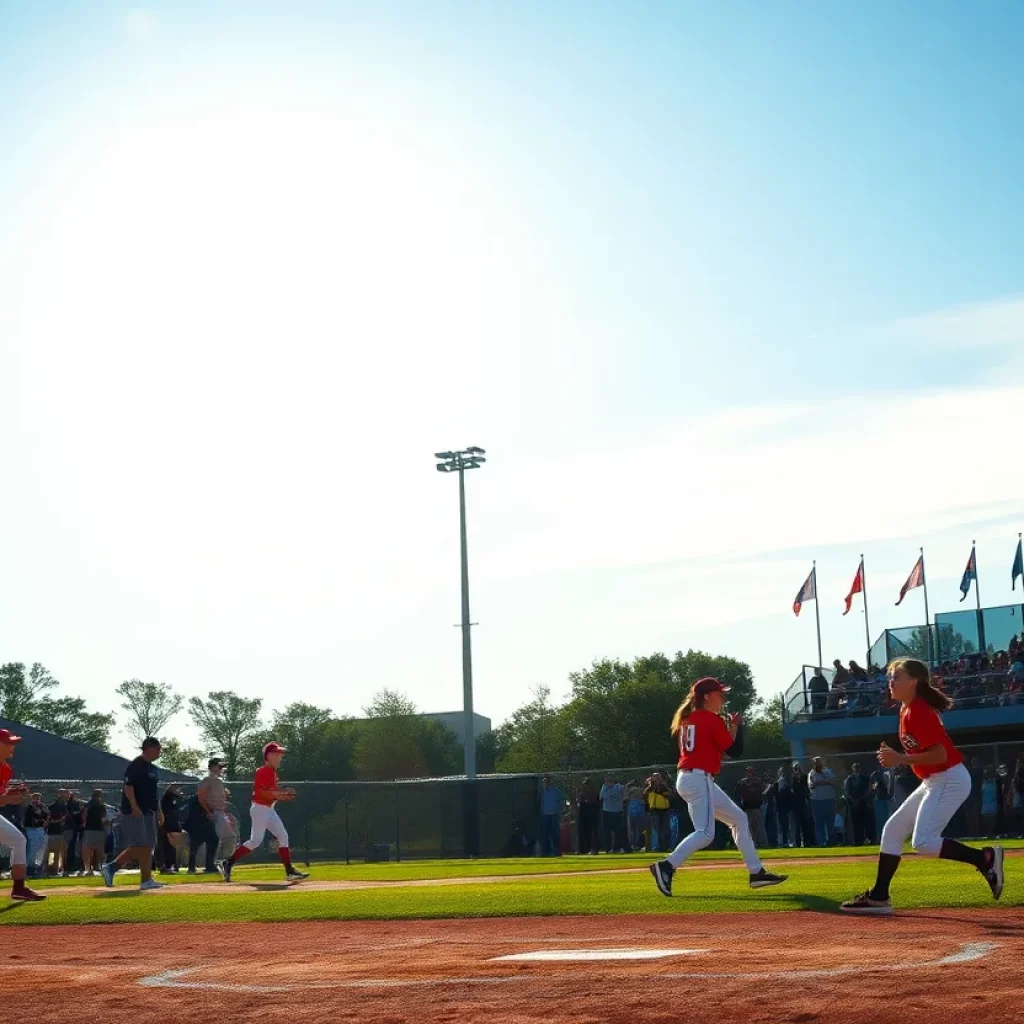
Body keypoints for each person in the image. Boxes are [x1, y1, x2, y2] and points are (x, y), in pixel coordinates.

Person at [841, 659, 1004, 915]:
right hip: (935, 780)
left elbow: (939, 755)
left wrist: (901, 758)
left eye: (896, 677)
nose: (890, 683)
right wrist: (899, 758)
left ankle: (985, 859)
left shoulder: (919, 710)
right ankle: (879, 897)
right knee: (892, 831)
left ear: (913, 681)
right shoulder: (906, 709)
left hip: (949, 777)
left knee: (924, 842)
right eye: (889, 678)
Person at [649, 677, 787, 896]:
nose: (722, 697)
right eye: (719, 693)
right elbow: (735, 751)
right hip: (698, 779)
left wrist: (731, 727)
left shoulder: (688, 718)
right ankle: (666, 866)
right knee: (705, 834)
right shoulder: (710, 719)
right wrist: (739, 727)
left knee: (739, 819)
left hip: (692, 778)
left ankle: (756, 872)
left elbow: (722, 747)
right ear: (706, 696)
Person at [219, 741, 309, 881]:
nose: (280, 756)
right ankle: (228, 862)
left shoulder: (271, 772)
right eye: (277, 754)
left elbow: (269, 793)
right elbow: (264, 792)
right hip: (261, 809)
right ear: (268, 756)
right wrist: (282, 793)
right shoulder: (264, 770)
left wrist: (282, 795)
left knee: (283, 837)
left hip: (267, 808)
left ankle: (290, 871)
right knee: (256, 841)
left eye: (280, 754)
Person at [101, 737, 165, 891]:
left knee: (147, 845)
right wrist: (135, 807)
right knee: (142, 844)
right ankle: (144, 879)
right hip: (134, 811)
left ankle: (113, 868)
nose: (159, 752)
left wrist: (159, 811)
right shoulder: (136, 766)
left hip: (149, 811)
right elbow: (128, 787)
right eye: (158, 748)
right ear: (148, 748)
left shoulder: (153, 769)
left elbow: (154, 793)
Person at [0, 728, 45, 900]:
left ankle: (19, 888)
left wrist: (11, 792)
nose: (13, 747)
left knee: (18, 840)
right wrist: (8, 799)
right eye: (8, 743)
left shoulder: (5, 769)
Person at [733, 767, 769, 848]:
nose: (750, 774)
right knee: (749, 829)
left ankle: (762, 845)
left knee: (759, 828)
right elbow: (737, 794)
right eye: (748, 772)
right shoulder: (742, 783)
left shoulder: (758, 782)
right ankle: (750, 845)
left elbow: (766, 789)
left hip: (757, 808)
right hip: (747, 810)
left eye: (751, 773)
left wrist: (762, 797)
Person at [808, 757, 838, 846]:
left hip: (829, 800)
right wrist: (826, 782)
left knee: (830, 823)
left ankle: (831, 842)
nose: (817, 764)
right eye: (815, 762)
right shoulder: (811, 774)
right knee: (818, 824)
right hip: (816, 802)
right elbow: (812, 785)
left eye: (818, 762)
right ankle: (821, 843)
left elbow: (835, 782)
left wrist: (823, 781)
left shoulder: (828, 772)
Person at [80, 789, 109, 876]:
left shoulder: (88, 804)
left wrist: (84, 823)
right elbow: (103, 818)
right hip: (98, 828)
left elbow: (84, 814)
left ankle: (88, 868)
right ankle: (98, 866)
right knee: (99, 849)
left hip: (90, 828)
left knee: (88, 848)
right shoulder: (101, 805)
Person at [844, 763, 873, 845]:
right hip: (853, 804)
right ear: (852, 768)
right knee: (855, 823)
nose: (857, 769)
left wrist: (860, 799)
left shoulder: (865, 778)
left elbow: (868, 789)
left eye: (858, 767)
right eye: (855, 767)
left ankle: (867, 839)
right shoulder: (850, 778)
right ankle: (857, 840)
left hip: (863, 802)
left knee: (865, 822)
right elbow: (847, 791)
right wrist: (853, 800)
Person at [159, 783, 185, 873]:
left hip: (174, 823)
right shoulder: (167, 798)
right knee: (169, 845)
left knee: (174, 846)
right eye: (176, 789)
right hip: (169, 824)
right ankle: (167, 866)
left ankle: (173, 865)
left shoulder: (175, 799)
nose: (179, 791)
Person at [644, 772, 672, 852]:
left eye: (658, 777)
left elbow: (668, 795)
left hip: (664, 810)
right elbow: (646, 797)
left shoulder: (664, 786)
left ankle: (665, 847)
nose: (657, 778)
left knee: (665, 829)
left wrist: (661, 788)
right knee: (656, 830)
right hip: (654, 810)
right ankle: (657, 847)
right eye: (655, 777)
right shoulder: (649, 788)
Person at [537, 776, 564, 857]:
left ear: (549, 782)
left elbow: (561, 801)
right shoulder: (541, 792)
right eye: (543, 782)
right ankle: (545, 852)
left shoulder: (556, 791)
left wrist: (558, 811)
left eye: (545, 782)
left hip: (554, 815)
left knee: (555, 834)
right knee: (544, 834)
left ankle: (557, 852)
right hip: (544, 815)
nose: (544, 784)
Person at [598, 775, 626, 854]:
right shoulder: (604, 787)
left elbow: (623, 795)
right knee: (607, 831)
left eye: (610, 779)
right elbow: (601, 797)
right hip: (607, 811)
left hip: (617, 811)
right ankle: (608, 848)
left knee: (618, 831)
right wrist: (606, 788)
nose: (608, 781)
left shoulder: (620, 787)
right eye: (607, 779)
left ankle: (617, 847)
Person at [22, 792, 48, 877]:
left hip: (40, 829)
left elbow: (46, 815)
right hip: (31, 829)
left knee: (41, 847)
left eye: (38, 798)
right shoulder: (29, 807)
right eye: (35, 798)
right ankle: (30, 868)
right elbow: (32, 816)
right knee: (32, 849)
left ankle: (37, 867)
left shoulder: (42, 807)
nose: (37, 800)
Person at [46, 788, 70, 875]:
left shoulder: (67, 806)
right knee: (54, 852)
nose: (64, 796)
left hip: (64, 832)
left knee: (61, 852)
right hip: (55, 832)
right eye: (62, 794)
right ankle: (53, 869)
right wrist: (60, 820)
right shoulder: (53, 807)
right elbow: (49, 820)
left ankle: (59, 868)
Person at [789, 763, 814, 847]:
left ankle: (807, 842)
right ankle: (798, 842)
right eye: (795, 768)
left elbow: (807, 789)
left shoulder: (805, 777)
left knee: (805, 823)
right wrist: (796, 778)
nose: (797, 770)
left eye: (798, 768)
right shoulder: (792, 778)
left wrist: (807, 796)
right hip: (796, 803)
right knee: (797, 824)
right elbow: (793, 790)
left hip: (804, 802)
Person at [869, 764, 894, 840]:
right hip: (878, 799)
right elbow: (871, 786)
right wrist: (875, 791)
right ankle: (880, 837)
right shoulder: (875, 774)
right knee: (880, 819)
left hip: (888, 799)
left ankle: (889, 836)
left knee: (888, 818)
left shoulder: (889, 772)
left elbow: (891, 785)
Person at [575, 777, 599, 855]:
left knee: (592, 832)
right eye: (585, 784)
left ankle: (594, 849)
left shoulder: (593, 792)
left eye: (587, 784)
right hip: (583, 814)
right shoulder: (581, 793)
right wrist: (578, 792)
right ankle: (582, 849)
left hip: (591, 813)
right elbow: (578, 801)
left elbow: (593, 801)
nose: (586, 786)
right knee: (581, 831)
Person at [772, 766, 794, 848]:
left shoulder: (785, 782)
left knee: (785, 825)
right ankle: (783, 842)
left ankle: (785, 841)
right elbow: (780, 793)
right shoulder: (780, 781)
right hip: (781, 809)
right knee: (783, 826)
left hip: (784, 808)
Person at [626, 778, 647, 852]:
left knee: (632, 830)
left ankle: (633, 844)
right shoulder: (642, 790)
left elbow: (626, 796)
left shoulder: (630, 791)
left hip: (632, 811)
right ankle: (638, 845)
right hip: (640, 811)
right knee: (639, 830)